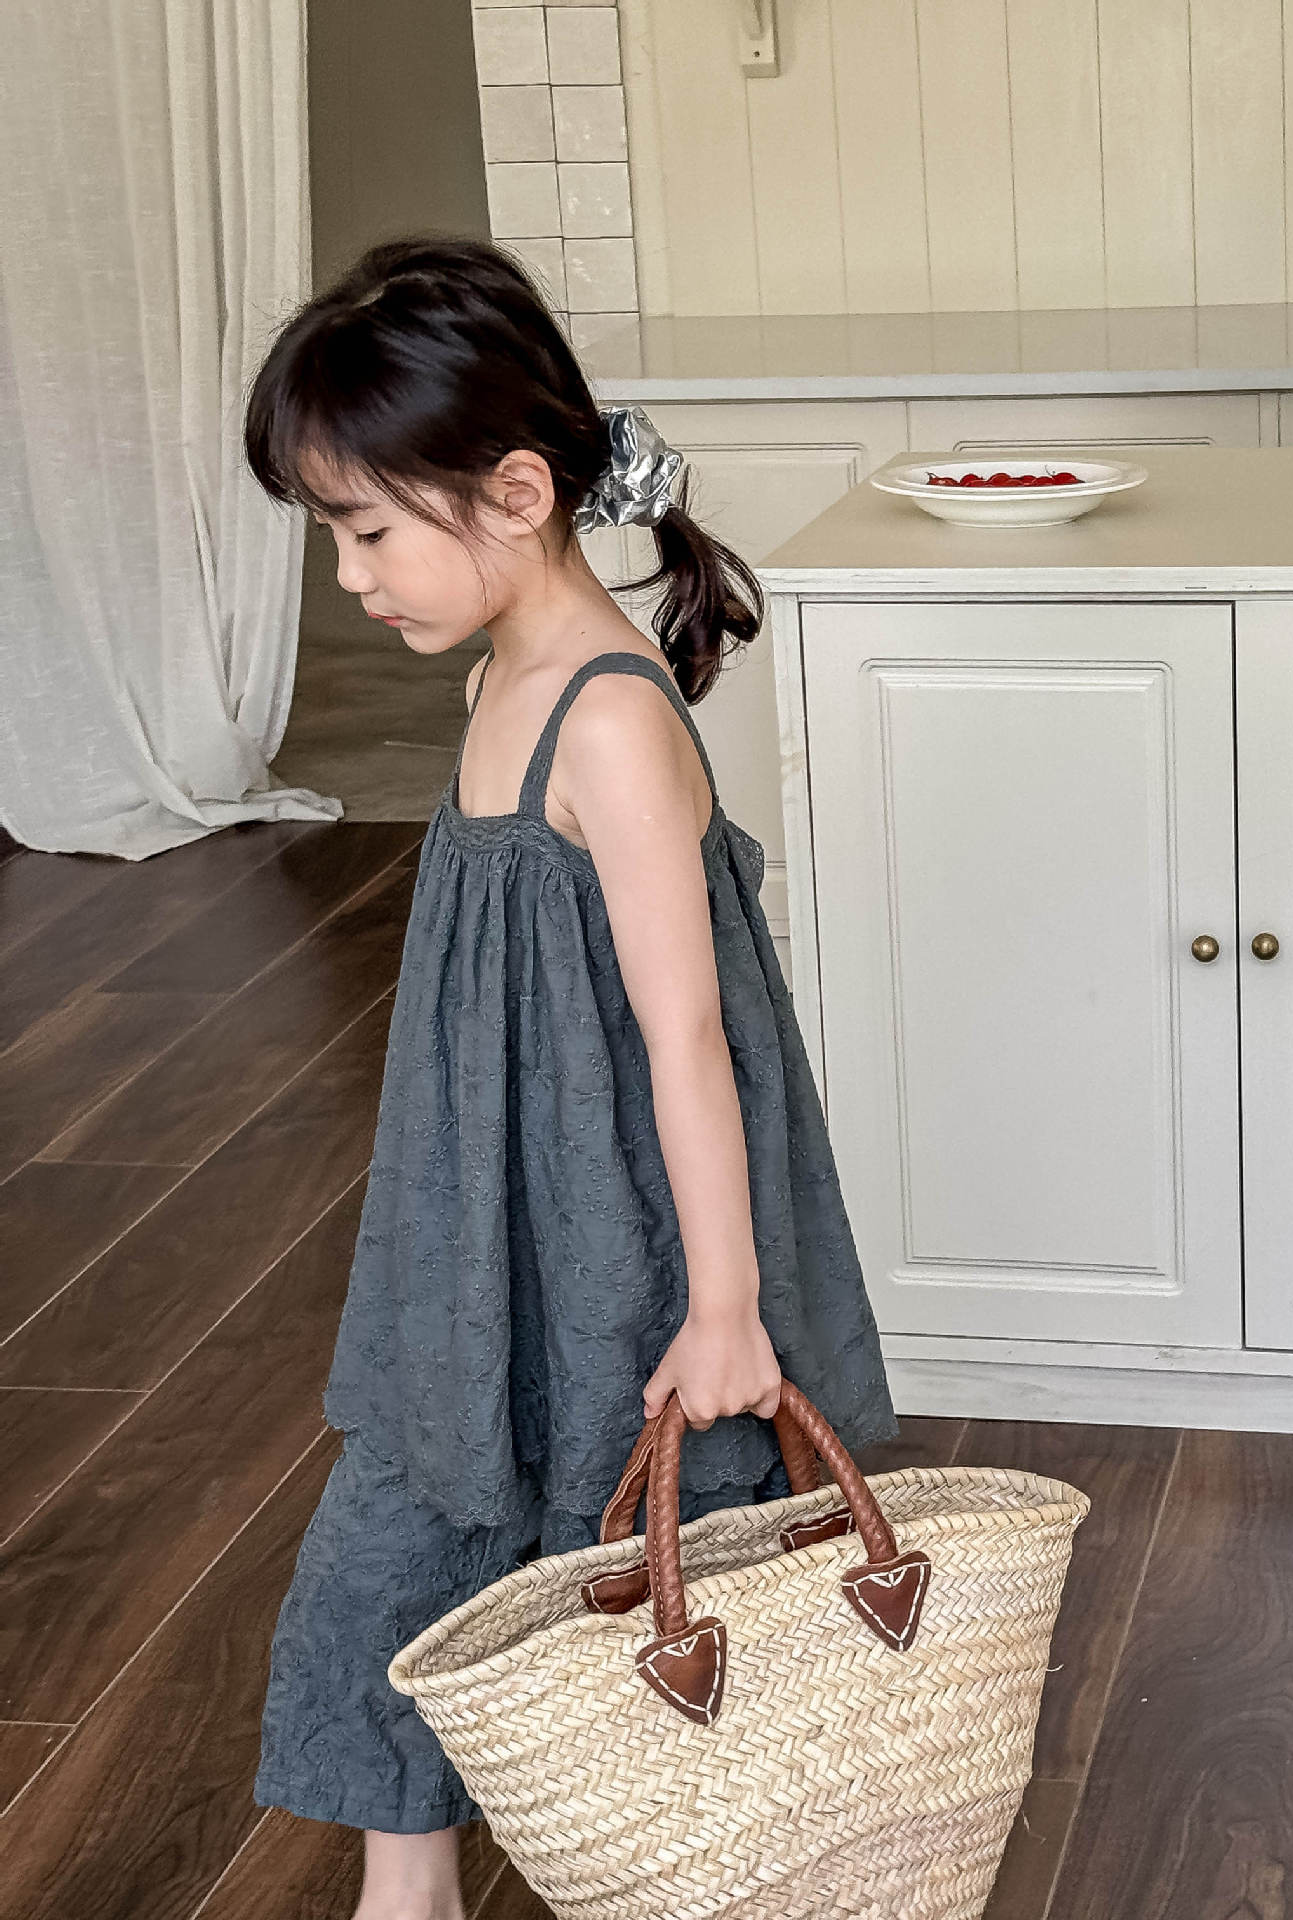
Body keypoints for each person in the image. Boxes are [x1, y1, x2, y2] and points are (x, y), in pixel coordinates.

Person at [241, 236, 898, 1920]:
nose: (349, 577)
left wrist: (727, 1306)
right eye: (330, 535)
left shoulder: (604, 718)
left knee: (615, 1540)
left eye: (367, 530)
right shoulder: (496, 679)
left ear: (517, 492)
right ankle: (408, 1888)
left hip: (615, 1231)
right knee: (404, 1528)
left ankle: (679, 1867)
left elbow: (689, 1038)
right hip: (487, 1213)